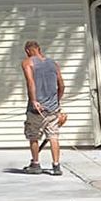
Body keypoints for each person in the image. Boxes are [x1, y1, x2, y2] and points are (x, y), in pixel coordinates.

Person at [21, 40, 66, 174]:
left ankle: (35, 164)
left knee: (33, 135)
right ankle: (56, 165)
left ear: (28, 51)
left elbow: (30, 82)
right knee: (53, 136)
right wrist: (57, 100)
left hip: (36, 109)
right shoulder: (54, 64)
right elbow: (62, 85)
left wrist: (34, 100)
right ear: (39, 49)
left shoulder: (27, 63)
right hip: (52, 108)